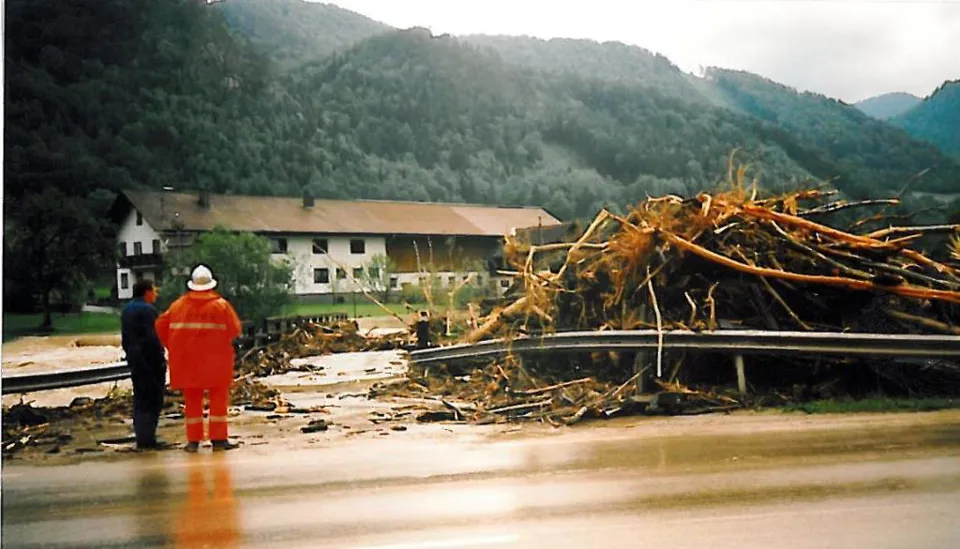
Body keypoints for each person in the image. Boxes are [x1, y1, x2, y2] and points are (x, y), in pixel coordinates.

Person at [156, 265, 242, 452]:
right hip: (216, 361)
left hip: (187, 361)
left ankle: (193, 442)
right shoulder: (221, 305)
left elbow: (160, 325)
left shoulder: (178, 305)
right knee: (218, 400)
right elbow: (235, 330)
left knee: (192, 401)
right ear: (211, 285)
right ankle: (218, 440)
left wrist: (173, 346)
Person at [121, 278, 167, 450]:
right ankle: (148, 438)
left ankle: (142, 436)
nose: (156, 294)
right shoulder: (148, 310)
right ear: (146, 292)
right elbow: (152, 338)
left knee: (140, 398)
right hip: (149, 360)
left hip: (134, 358)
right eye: (154, 290)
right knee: (153, 398)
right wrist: (160, 357)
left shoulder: (127, 310)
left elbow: (126, 337)